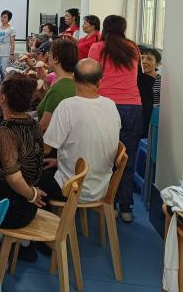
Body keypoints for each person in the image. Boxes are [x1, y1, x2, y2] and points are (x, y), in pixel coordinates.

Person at [40, 59, 121, 203]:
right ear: (100, 81)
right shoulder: (111, 105)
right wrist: (60, 162)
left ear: (74, 79)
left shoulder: (67, 106)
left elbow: (45, 149)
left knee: (33, 177)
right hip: (101, 188)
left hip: (72, 188)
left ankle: (52, 218)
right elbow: (93, 143)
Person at [88, 15, 142, 223]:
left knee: (103, 157)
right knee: (126, 158)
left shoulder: (97, 48)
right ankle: (126, 207)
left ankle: (105, 202)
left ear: (104, 28)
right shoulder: (132, 48)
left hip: (105, 106)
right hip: (133, 107)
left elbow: (90, 77)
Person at [0, 74, 47, 229]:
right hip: (23, 204)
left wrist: (32, 194)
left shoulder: (6, 131)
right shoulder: (31, 122)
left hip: (7, 210)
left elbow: (14, 178)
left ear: (2, 98)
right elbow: (21, 145)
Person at [36, 39, 78, 133]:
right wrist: (41, 90)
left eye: (49, 54)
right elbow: (49, 104)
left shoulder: (59, 88)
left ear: (56, 59)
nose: (47, 56)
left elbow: (44, 126)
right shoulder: (71, 80)